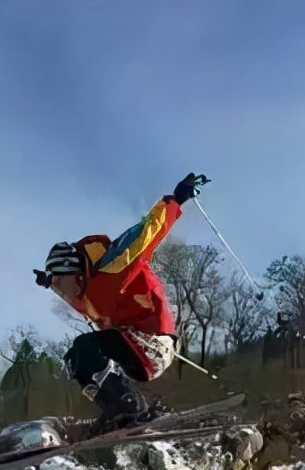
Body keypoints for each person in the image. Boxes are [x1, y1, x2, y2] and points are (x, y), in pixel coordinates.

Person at [34, 171, 209, 431]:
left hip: (155, 343)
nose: (64, 293)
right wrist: (50, 282)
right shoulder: (83, 298)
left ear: (76, 272)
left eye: (62, 283)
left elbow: (146, 233)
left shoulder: (114, 266)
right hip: (133, 351)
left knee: (85, 346)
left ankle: (130, 404)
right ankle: (117, 409)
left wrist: (176, 200)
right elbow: (67, 291)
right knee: (77, 361)